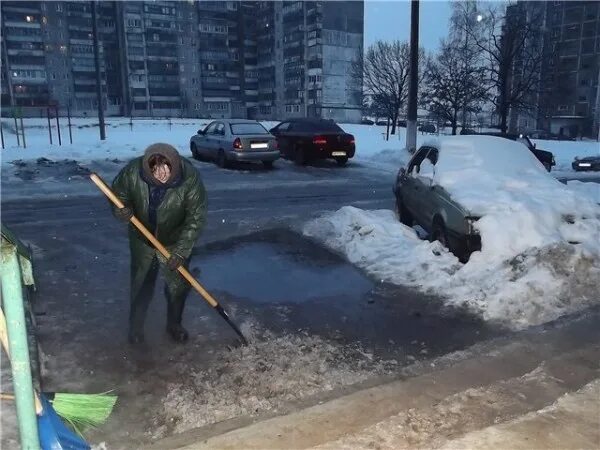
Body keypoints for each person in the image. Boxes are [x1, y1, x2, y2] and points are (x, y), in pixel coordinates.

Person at [111, 143, 207, 344]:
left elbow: (195, 218)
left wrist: (181, 251)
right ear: (148, 168)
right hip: (142, 240)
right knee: (141, 285)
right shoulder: (132, 172)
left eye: (166, 171)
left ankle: (174, 325)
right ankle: (135, 330)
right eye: (156, 172)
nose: (161, 176)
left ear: (174, 166)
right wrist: (121, 209)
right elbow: (117, 195)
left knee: (177, 286)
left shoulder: (190, 178)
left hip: (175, 240)